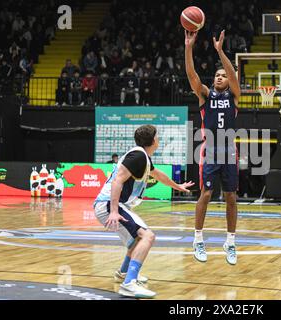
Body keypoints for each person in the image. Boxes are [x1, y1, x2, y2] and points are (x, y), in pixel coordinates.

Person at [93, 125, 194, 298]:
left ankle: (124, 273)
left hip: (111, 205)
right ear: (153, 140)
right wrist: (114, 211)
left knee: (137, 240)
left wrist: (178, 186)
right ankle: (129, 283)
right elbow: (118, 181)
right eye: (158, 136)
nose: (159, 139)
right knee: (148, 236)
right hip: (109, 205)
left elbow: (158, 175)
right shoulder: (138, 155)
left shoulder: (143, 157)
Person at [185, 29, 241, 265]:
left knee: (231, 197)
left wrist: (220, 52)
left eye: (223, 75)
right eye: (216, 75)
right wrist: (188, 47)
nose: (219, 77)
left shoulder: (235, 96)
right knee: (206, 194)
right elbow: (192, 75)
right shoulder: (206, 95)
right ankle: (198, 239)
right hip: (210, 151)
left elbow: (233, 75)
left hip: (229, 151)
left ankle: (230, 241)